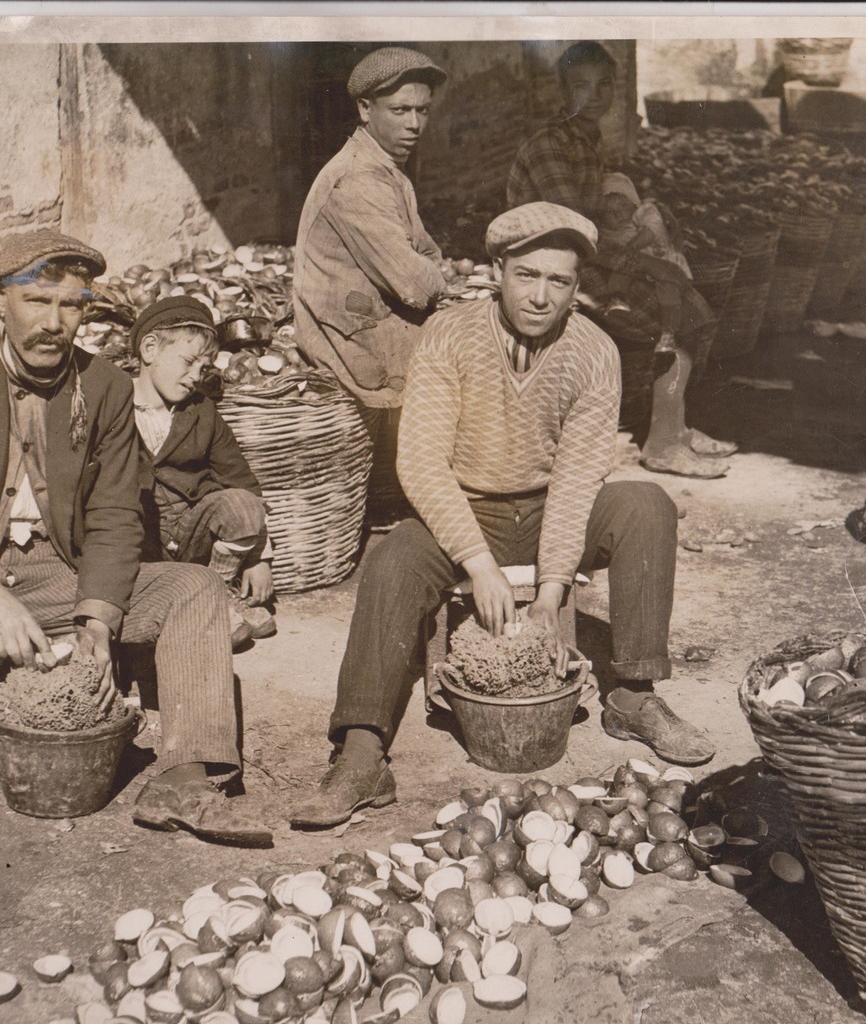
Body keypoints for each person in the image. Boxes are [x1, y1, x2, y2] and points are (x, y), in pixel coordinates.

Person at [0, 229, 272, 898]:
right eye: (36, 301)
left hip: (55, 573)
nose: (53, 323)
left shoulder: (102, 386)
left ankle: (183, 781)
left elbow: (116, 515)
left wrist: (97, 620)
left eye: (71, 306)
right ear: (1, 299)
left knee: (193, 589)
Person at [286, 203, 716, 831]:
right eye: (527, 275)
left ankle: (635, 694)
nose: (541, 296)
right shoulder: (450, 336)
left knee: (646, 505)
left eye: (560, 282)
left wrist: (551, 593)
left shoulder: (595, 351)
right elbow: (423, 464)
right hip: (467, 507)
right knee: (394, 556)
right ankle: (360, 751)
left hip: (548, 508)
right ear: (497, 270)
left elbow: (575, 478)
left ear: (577, 287)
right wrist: (479, 565)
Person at [506, 40, 736, 480]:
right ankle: (663, 445)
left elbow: (598, 222)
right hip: (552, 269)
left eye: (605, 86)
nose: (595, 96)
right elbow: (572, 232)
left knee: (693, 308)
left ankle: (675, 426)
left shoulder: (586, 139)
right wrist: (646, 265)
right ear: (561, 91)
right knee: (681, 316)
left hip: (587, 260)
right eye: (581, 86)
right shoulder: (550, 147)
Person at [293, 46, 449, 524]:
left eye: (422, 110)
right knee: (470, 358)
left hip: (372, 321)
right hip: (348, 334)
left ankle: (419, 492)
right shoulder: (359, 178)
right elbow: (415, 282)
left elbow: (427, 254)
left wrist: (428, 270)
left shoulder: (384, 169)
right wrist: (431, 276)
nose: (414, 124)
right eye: (400, 110)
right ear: (365, 109)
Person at [127, 295, 277, 645]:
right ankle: (193, 604)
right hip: (142, 540)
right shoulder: (114, 404)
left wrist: (259, 558)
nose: (195, 376)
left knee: (242, 504)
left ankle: (219, 586)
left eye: (204, 367)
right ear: (150, 349)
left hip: (193, 535)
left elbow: (242, 481)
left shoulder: (202, 411)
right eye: (189, 361)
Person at [593, 173, 713, 359]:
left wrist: (630, 247)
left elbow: (651, 229)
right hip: (639, 268)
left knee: (668, 292)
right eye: (610, 212)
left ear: (634, 201)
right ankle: (617, 299)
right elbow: (610, 250)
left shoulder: (645, 211)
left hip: (665, 264)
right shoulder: (609, 231)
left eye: (623, 205)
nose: (618, 214)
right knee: (622, 268)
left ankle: (668, 333)